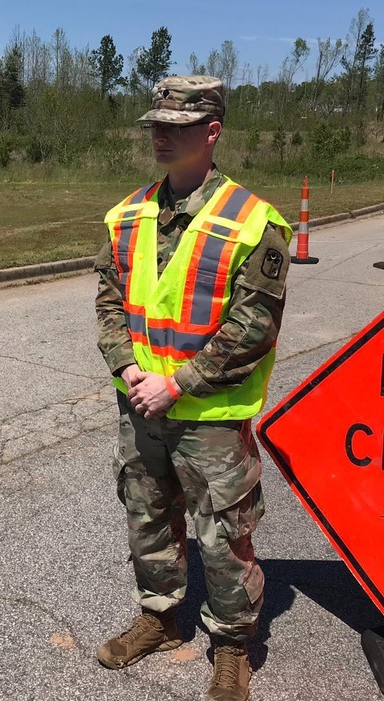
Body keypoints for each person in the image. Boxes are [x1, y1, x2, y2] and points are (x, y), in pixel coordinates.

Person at [93, 75, 292, 701]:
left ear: (212, 132)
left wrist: (177, 384)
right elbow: (108, 303)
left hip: (209, 414)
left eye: (176, 126)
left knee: (223, 533)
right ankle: (159, 618)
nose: (160, 135)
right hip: (141, 405)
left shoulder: (254, 222)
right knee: (147, 516)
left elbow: (252, 328)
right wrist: (128, 370)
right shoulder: (128, 214)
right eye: (156, 124)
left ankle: (233, 648)